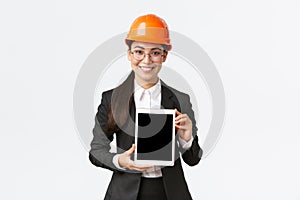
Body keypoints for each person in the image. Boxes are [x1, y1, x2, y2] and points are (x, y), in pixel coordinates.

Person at [89, 14, 203, 200]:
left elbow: (193, 159)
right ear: (129, 54)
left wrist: (187, 139)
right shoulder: (111, 99)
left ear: (164, 56)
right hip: (125, 192)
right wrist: (120, 161)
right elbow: (96, 151)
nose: (147, 60)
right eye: (139, 52)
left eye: (155, 52)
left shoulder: (180, 99)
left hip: (170, 193)